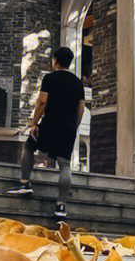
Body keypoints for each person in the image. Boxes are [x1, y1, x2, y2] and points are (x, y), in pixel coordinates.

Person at [7, 46, 86, 221]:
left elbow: (42, 101)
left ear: (56, 60)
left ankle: (25, 183)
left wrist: (34, 123)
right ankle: (61, 205)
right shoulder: (77, 82)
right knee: (65, 165)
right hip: (68, 128)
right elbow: (81, 108)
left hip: (50, 123)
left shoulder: (50, 78)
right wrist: (73, 127)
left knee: (29, 146)